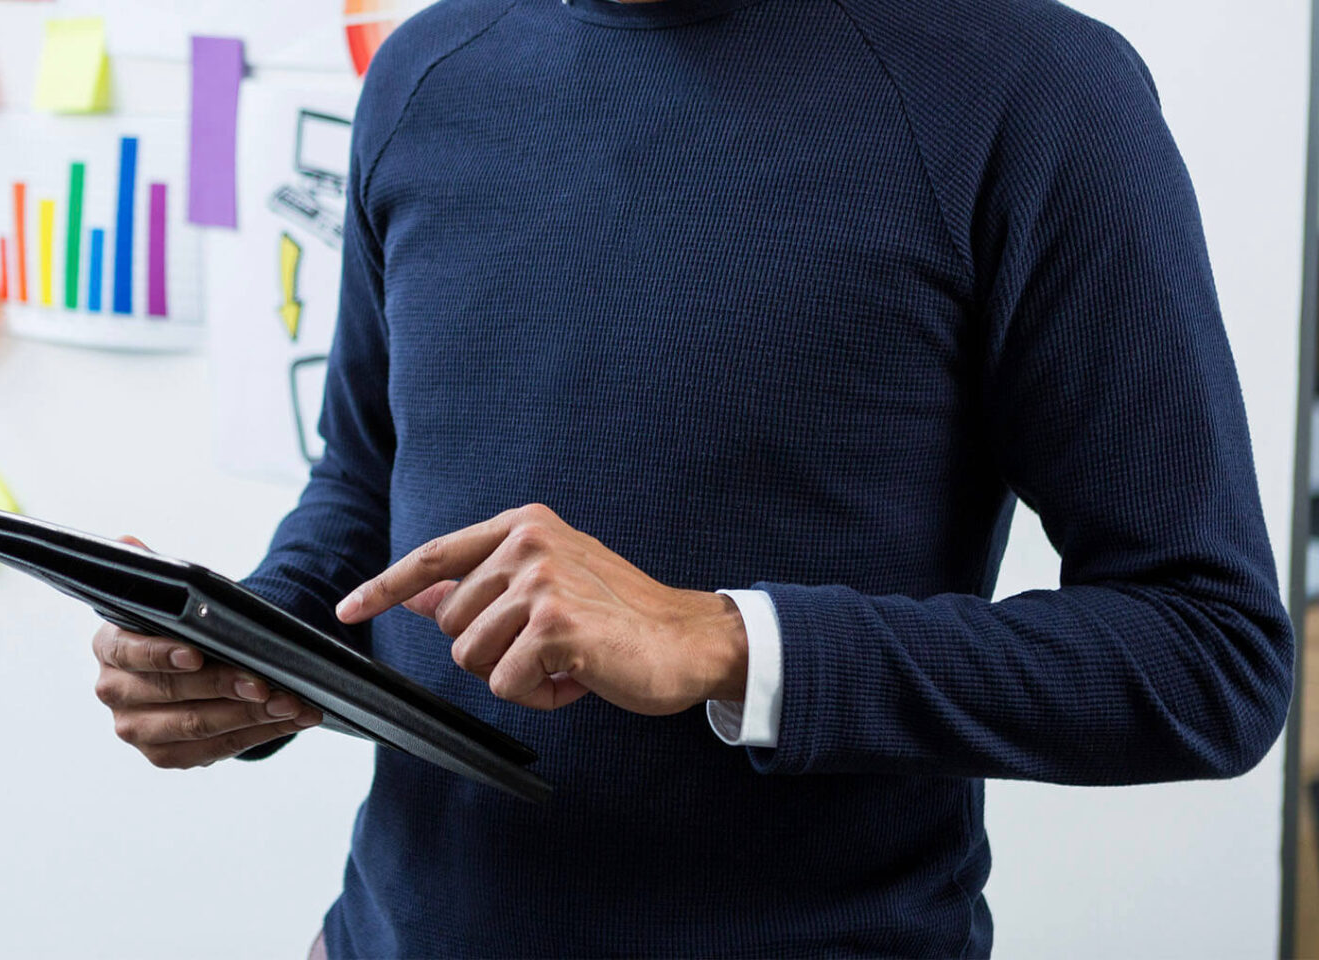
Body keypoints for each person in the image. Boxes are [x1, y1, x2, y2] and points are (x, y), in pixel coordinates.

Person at [88, 0, 1297, 955]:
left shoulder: (1034, 87)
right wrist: (247, 647)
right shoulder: (427, 70)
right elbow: (368, 478)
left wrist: (733, 644)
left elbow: (1212, 655)